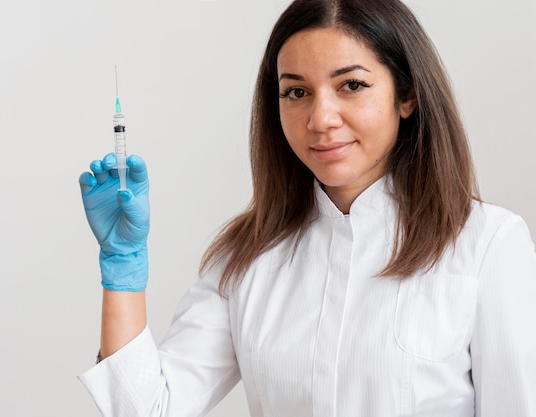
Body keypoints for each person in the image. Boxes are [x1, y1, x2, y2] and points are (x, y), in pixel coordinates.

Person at [77, 0, 536, 415]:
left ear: (407, 95)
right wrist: (123, 268)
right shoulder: (247, 257)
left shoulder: (487, 245)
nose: (321, 119)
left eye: (351, 85)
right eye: (297, 92)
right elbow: (149, 410)